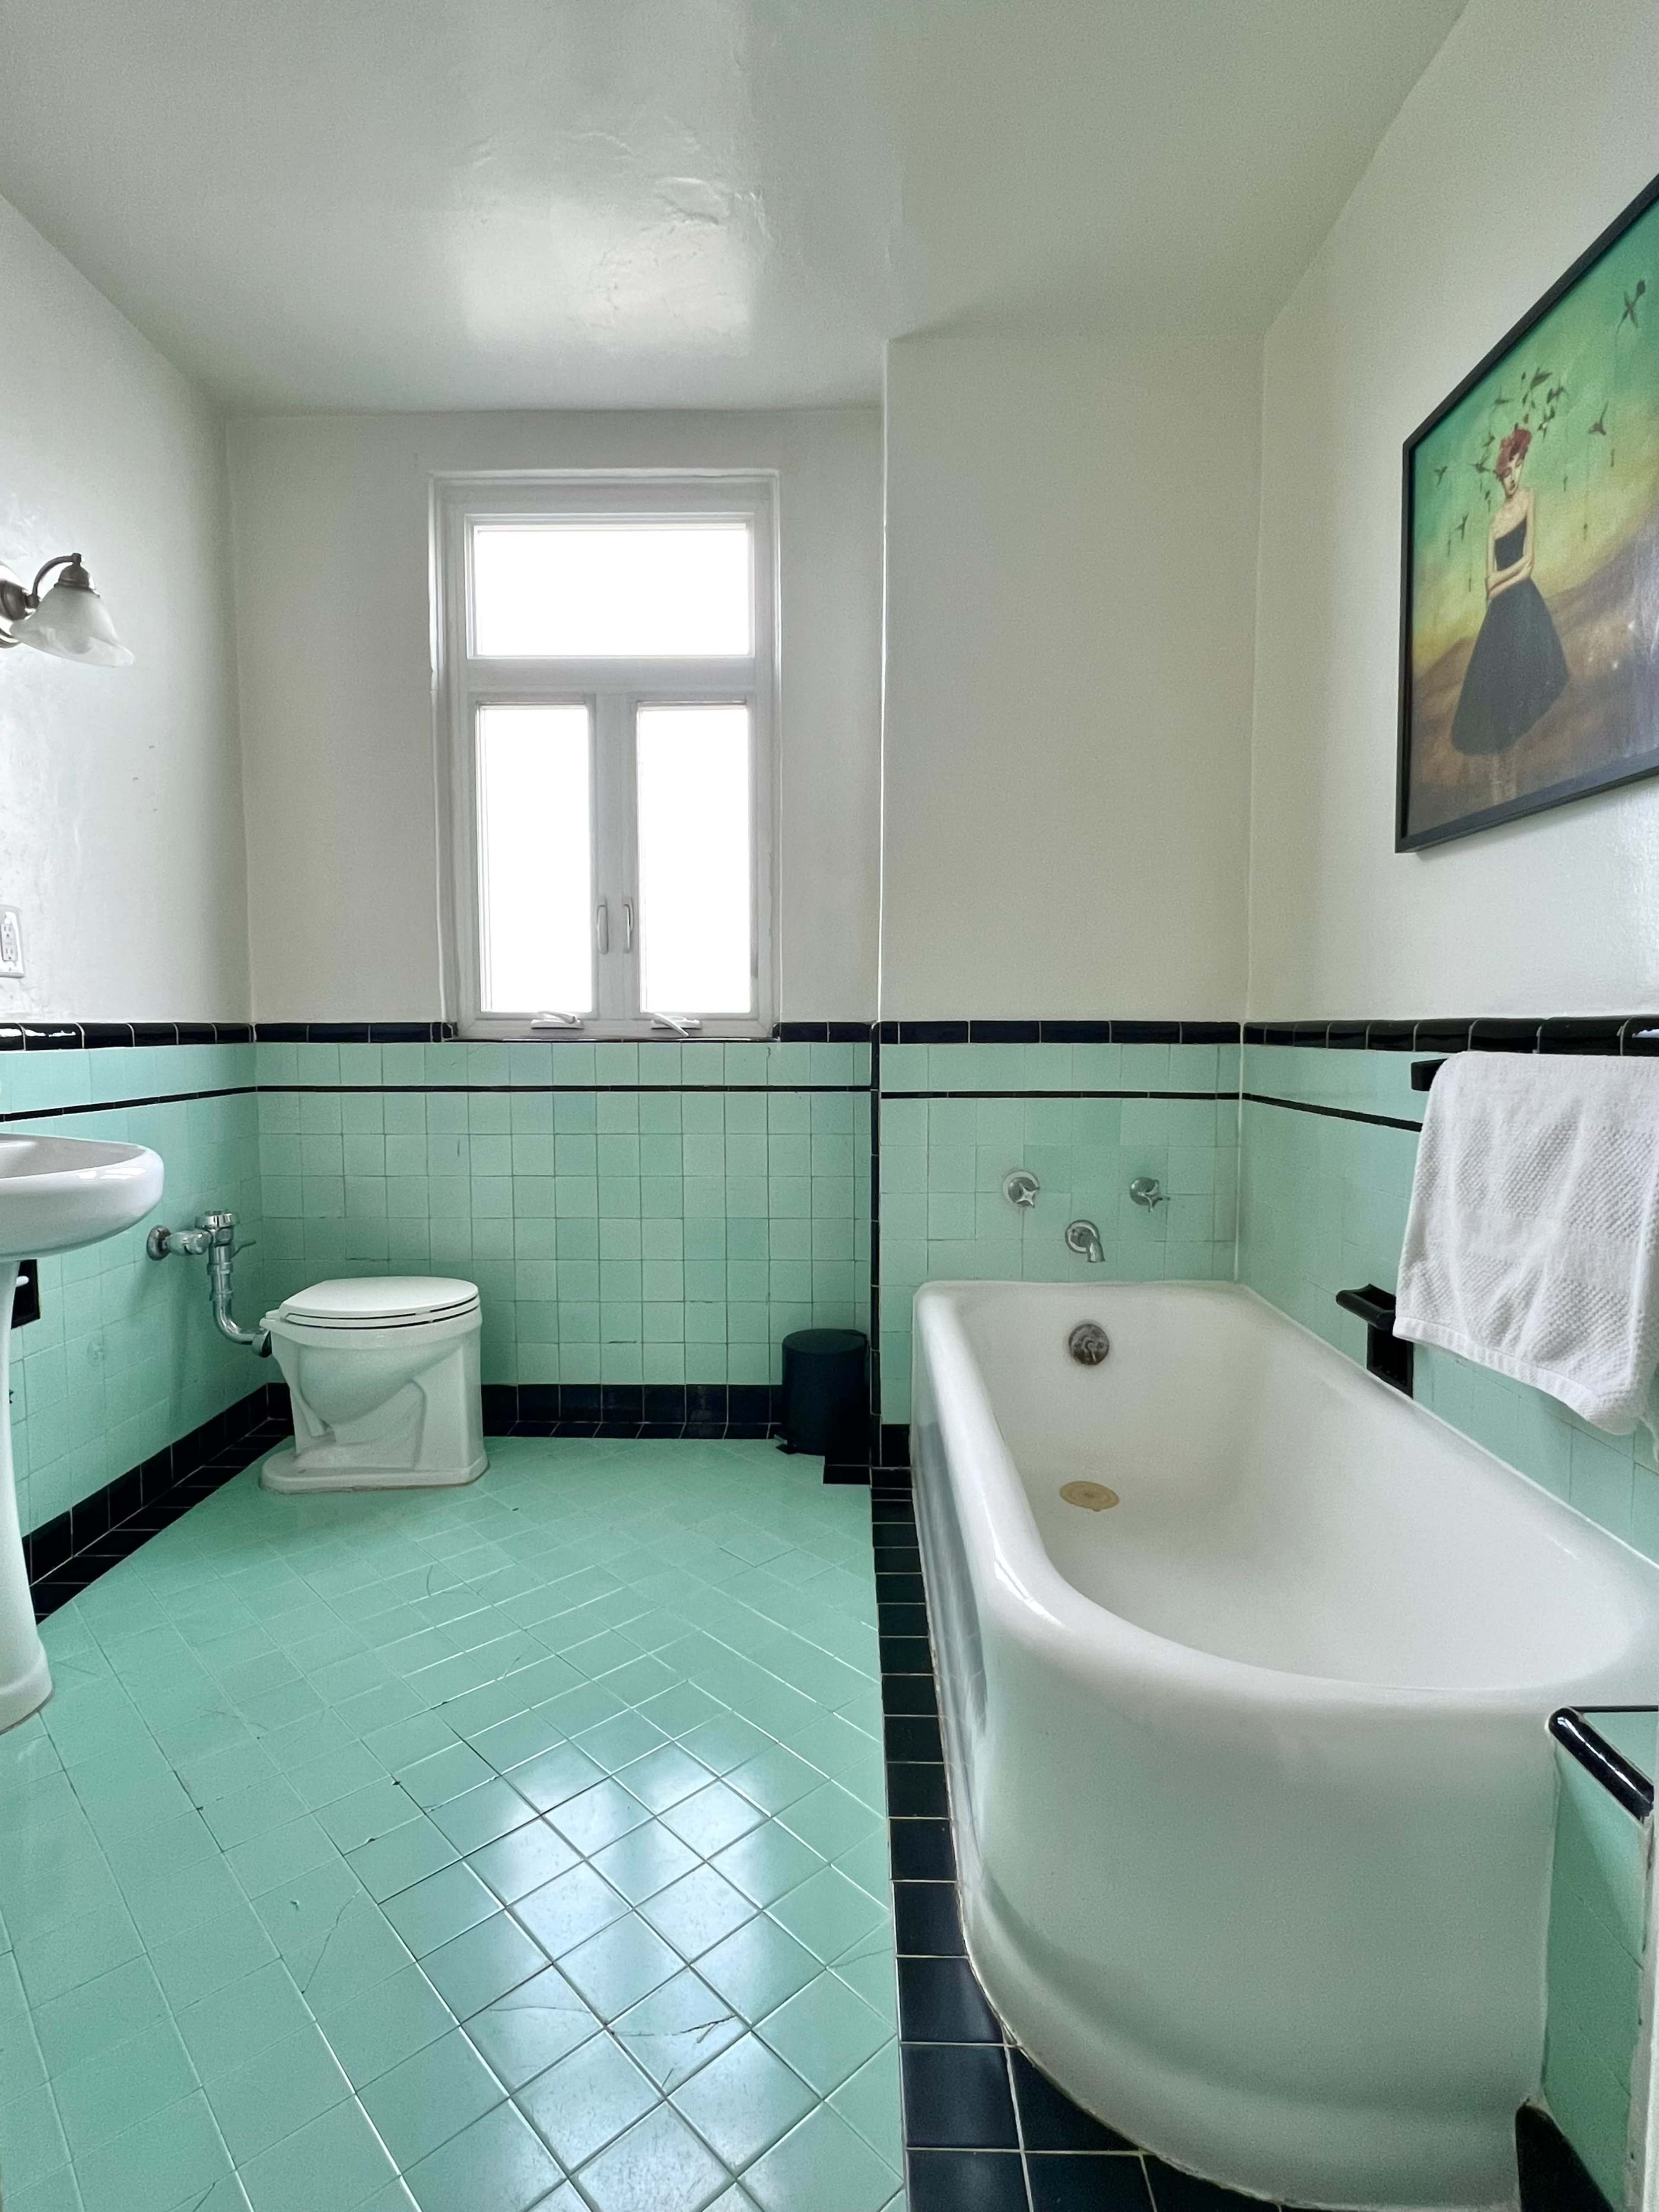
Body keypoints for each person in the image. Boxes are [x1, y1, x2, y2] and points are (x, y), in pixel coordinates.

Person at [1450, 423, 1568, 755]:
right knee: (1492, 687)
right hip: (1502, 609)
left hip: (1524, 603)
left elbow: (1528, 563)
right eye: (1507, 472)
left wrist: (1507, 578)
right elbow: (1488, 586)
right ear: (1499, 476)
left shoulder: (1530, 498)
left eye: (1517, 467)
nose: (1513, 477)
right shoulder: (1494, 524)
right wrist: (1513, 575)